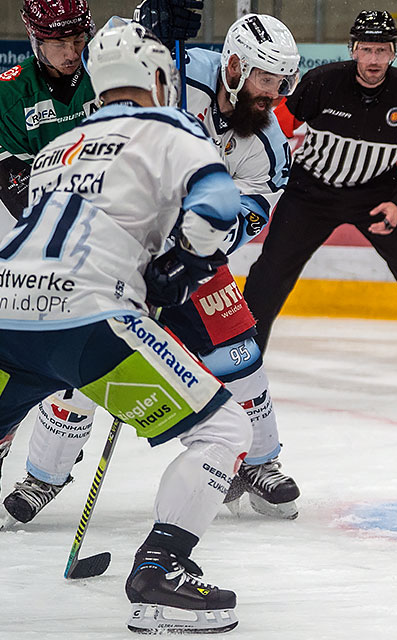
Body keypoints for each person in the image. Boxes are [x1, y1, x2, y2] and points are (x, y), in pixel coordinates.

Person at [0, 10, 304, 526]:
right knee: (79, 369)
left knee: (239, 350)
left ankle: (260, 460)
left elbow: (249, 216)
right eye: (265, 81)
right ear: (233, 65)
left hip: (193, 250)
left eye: (281, 85)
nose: (273, 97)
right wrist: (151, 17)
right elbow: (122, 44)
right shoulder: (180, 70)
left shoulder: (268, 145)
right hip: (120, 241)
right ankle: (43, 475)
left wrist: (188, 250)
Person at [0, 20, 249, 633]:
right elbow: (219, 209)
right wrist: (180, 267)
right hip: (86, 322)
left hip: (6, 307)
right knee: (223, 428)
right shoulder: (171, 127)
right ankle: (162, 572)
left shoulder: (63, 142)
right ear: (159, 79)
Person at [243, 10, 397, 399]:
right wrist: (270, 178)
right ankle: (240, 356)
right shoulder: (322, 82)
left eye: (381, 50)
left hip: (376, 192)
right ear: (353, 50)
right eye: (366, 49)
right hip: (311, 190)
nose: (373, 59)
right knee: (270, 271)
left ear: (394, 53)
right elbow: (275, 128)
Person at [0, 0, 97, 224]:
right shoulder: (9, 97)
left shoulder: (109, 74)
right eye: (60, 44)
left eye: (78, 40)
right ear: (37, 41)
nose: (72, 54)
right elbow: (28, 204)